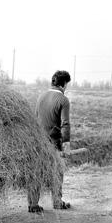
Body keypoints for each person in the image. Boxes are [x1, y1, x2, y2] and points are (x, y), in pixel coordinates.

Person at [28, 70, 72, 213]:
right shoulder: (63, 100)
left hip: (38, 141)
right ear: (64, 84)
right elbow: (65, 124)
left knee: (37, 172)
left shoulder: (41, 96)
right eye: (67, 84)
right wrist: (66, 145)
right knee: (57, 171)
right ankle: (57, 202)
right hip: (54, 142)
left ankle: (33, 204)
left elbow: (35, 118)